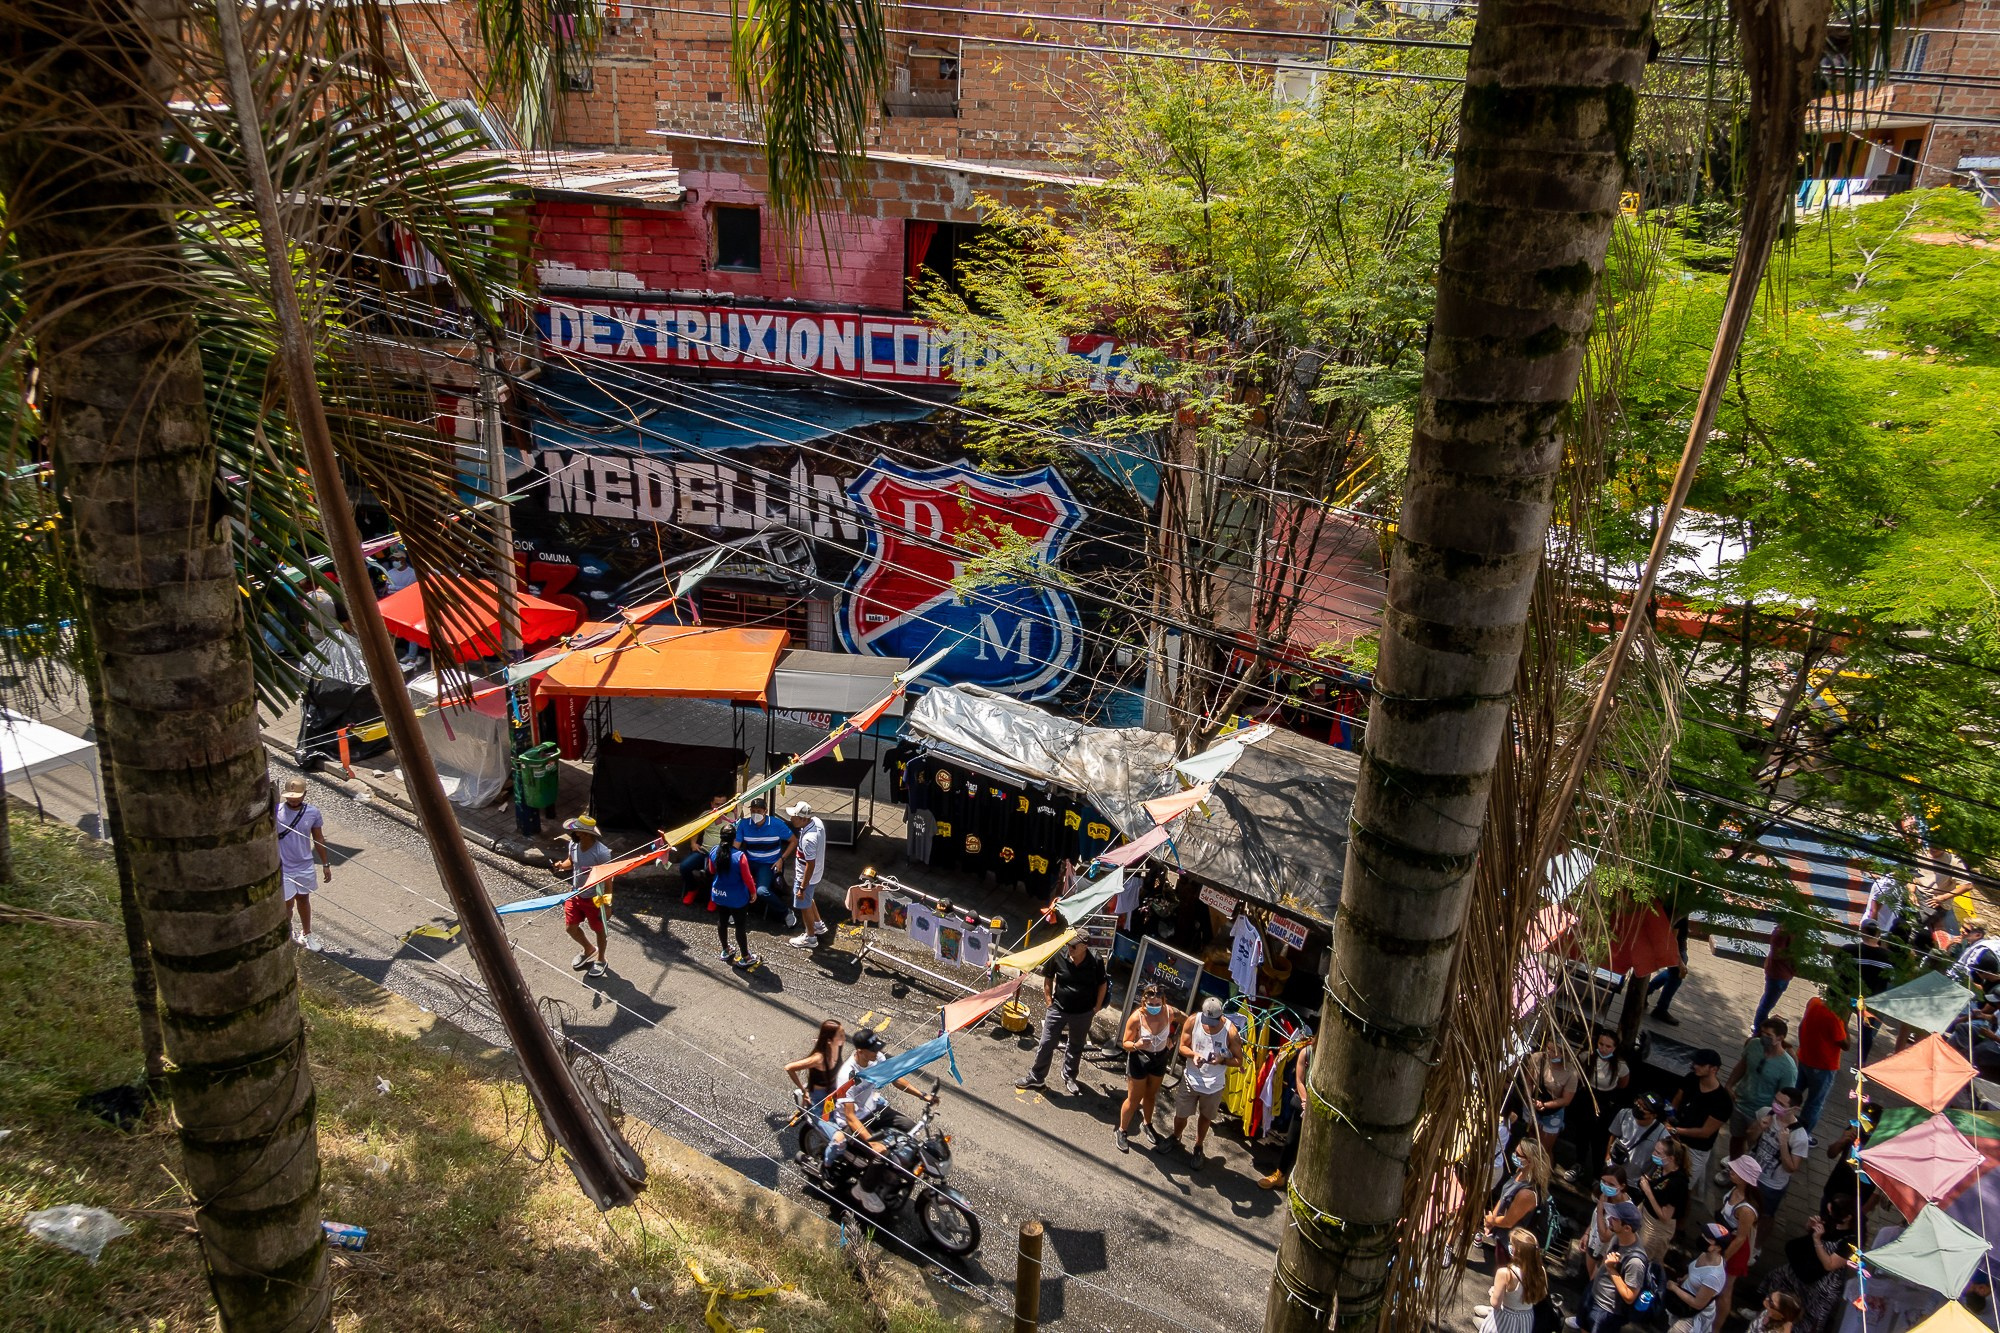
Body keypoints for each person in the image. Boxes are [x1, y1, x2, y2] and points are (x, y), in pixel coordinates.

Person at [828, 1029, 938, 1212]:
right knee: (883, 1152)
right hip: (852, 1122)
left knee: (910, 1129)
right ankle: (863, 1189)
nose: (877, 1052)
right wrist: (874, 1145)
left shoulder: (875, 1058)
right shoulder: (847, 1075)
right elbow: (850, 1117)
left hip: (874, 1109)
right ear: (860, 1051)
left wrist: (922, 1095)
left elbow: (895, 1079)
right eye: (872, 1049)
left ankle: (895, 1174)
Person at [1017, 936, 1108, 1096]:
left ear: (1085, 946)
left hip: (1083, 1013)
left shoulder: (1096, 960)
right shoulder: (1059, 955)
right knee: (1046, 1043)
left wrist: (1097, 1006)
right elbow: (1048, 977)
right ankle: (1036, 1076)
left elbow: (1102, 983)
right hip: (1058, 1009)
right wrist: (1048, 1001)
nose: (1070, 949)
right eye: (1069, 945)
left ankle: (1070, 1076)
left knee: (1076, 1045)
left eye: (1074, 946)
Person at [1757, 1195, 1860, 1333]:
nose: (1829, 1214)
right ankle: (1766, 1318)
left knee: (1809, 1317)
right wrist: (1810, 1226)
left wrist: (1817, 1239)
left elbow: (1830, 1265)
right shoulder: (1830, 1221)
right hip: (1804, 1269)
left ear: (1848, 1217)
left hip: (1822, 1284)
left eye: (1833, 1211)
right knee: (1777, 1281)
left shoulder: (1851, 1241)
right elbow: (1808, 1238)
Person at [1170, 998, 1243, 1164]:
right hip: (1191, 1079)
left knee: (1205, 1117)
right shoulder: (1193, 1021)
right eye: (1206, 1021)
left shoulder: (1230, 1032)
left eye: (1213, 1022)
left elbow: (1239, 1061)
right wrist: (1193, 1055)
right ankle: (1175, 1136)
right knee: (1181, 1114)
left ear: (1220, 1017)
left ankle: (1198, 1145)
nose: (1209, 1025)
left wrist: (1222, 1060)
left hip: (1213, 1085)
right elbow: (1182, 1046)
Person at [1117, 983, 1181, 1154]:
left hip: (1159, 1058)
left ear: (1163, 1001)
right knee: (1134, 1098)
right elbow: (1125, 1043)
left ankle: (1147, 1123)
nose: (1153, 1007)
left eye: (1157, 1004)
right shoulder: (1137, 1017)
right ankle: (1122, 1130)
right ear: (1144, 1002)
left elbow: (1188, 1021)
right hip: (1140, 1058)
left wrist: (1173, 1039)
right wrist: (1136, 1044)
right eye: (1150, 1004)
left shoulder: (1169, 1012)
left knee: (1151, 1095)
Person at [1726, 1018, 1798, 1161]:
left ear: (1780, 1038)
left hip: (1761, 1113)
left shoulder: (1788, 1068)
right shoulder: (1753, 1045)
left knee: (1754, 1148)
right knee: (1736, 1139)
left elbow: (1784, 1099)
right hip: (1740, 1103)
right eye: (1762, 1033)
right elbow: (1743, 1065)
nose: (1763, 1037)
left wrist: (1768, 1116)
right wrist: (1729, 1085)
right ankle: (1732, 1166)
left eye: (1768, 1035)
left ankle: (1744, 1176)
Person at [1669, 1047, 1733, 1206]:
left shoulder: (1722, 1101)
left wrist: (1675, 1130)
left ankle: (1680, 1224)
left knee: (1685, 1189)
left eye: (1701, 1064)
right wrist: (1670, 1119)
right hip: (1674, 1139)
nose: (1695, 1066)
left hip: (1696, 1149)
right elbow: (1676, 1101)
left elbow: (1705, 1132)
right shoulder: (1691, 1078)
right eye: (1695, 1062)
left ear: (1714, 1069)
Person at [1569, 1201, 1646, 1332]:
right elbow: (1605, 1260)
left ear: (1627, 1228)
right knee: (1583, 1326)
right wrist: (1593, 1282)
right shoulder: (1618, 1236)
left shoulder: (1635, 1261)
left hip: (1606, 1310)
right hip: (1593, 1293)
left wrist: (1611, 1269)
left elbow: (1629, 1296)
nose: (1609, 1219)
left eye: (1615, 1219)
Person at [552, 816, 614, 977]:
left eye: (576, 830)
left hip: (595, 898)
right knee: (570, 928)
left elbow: (608, 880)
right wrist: (560, 865)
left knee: (599, 930)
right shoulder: (574, 844)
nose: (573, 833)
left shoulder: (602, 853)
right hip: (575, 893)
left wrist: (607, 905)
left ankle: (601, 959)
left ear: (584, 834)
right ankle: (589, 949)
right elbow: (571, 862)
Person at [276, 777, 333, 950]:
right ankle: (287, 933)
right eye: (290, 796)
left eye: (297, 796)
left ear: (305, 794)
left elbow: (319, 838)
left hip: (304, 865)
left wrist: (325, 863)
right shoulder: (276, 810)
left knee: (303, 899)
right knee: (286, 903)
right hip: (284, 866)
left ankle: (306, 934)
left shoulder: (313, 813)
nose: (293, 799)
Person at [1259, 1031, 1316, 1190]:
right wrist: (1305, 1101)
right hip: (1303, 1105)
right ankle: (1280, 1174)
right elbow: (1299, 1080)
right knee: (1291, 1141)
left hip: (1320, 1108)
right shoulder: (1307, 1052)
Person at [1480, 1140, 1550, 1266]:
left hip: (1513, 1246)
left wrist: (1491, 1220)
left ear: (1530, 1161)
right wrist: (1492, 1221)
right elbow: (1504, 1197)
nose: (1514, 1156)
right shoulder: (1520, 1173)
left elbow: (1508, 1222)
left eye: (1518, 1154)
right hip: (1502, 1237)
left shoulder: (1527, 1194)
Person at [1713, 1156, 1762, 1328]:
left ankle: (1716, 1328)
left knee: (1725, 1290)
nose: (1730, 1172)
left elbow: (1741, 1238)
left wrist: (1724, 1258)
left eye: (1735, 1171)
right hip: (1724, 1240)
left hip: (1735, 1250)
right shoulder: (1734, 1190)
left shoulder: (1746, 1210)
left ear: (1744, 1178)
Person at [1747, 1086, 1810, 1218]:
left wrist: (1783, 1144)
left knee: (1765, 1215)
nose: (1775, 1105)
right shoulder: (1766, 1112)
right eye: (1775, 1100)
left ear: (1795, 1109)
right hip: (1750, 1172)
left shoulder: (1799, 1137)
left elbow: (1791, 1168)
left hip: (1771, 1185)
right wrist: (1759, 1127)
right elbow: (1749, 1139)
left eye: (1781, 1104)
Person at [1577, 1028, 1632, 1178]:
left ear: (1615, 1048)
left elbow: (1623, 1084)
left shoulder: (1620, 1066)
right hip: (1586, 1098)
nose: (1604, 1049)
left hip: (1604, 1103)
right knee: (1582, 1134)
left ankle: (1597, 1173)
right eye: (1601, 1044)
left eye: (1608, 1046)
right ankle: (1578, 1164)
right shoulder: (1586, 1056)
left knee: (1599, 1140)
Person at [1794, 988, 1850, 1136]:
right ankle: (1803, 1135)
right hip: (1823, 1067)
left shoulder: (1814, 1002)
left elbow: (1801, 1027)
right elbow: (1846, 1045)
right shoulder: (1834, 1018)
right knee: (1814, 1104)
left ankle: (1781, 1122)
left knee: (1793, 1093)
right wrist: (1845, 1021)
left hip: (1804, 1057)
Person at [732, 799, 796, 924]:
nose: (755, 813)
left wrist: (781, 859)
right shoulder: (744, 824)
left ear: (765, 811)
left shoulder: (777, 824)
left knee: (762, 891)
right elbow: (736, 846)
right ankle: (737, 911)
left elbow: (794, 841)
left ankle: (785, 912)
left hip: (768, 864)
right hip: (750, 862)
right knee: (736, 882)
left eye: (759, 811)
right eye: (753, 811)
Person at [785, 1019, 846, 1151]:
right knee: (831, 1125)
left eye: (843, 1033)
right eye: (840, 1035)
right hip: (821, 1097)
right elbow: (789, 1068)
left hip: (833, 1091)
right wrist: (804, 1090)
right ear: (830, 1040)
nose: (844, 1038)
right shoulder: (819, 1058)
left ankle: (803, 1110)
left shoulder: (838, 1046)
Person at [1473, 1227, 1547, 1333]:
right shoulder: (1541, 1271)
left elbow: (1496, 1304)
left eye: (1511, 1244)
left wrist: (1493, 1292)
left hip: (1505, 1318)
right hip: (1525, 1318)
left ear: (1516, 1251)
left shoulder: (1505, 1273)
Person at [1664, 1223, 1731, 1333]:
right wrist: (1685, 1278)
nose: (1702, 1238)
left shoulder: (1713, 1276)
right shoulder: (1705, 1254)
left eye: (1708, 1238)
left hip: (1692, 1316)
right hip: (1681, 1302)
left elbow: (1698, 1304)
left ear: (1718, 1247)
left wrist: (1674, 1288)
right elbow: (1695, 1272)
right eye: (1703, 1234)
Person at [708, 829, 760, 968]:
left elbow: (712, 870)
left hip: (719, 894)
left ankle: (725, 950)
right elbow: (747, 878)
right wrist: (753, 892)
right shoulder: (740, 856)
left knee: (722, 920)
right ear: (734, 838)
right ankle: (746, 957)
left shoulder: (713, 851)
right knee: (740, 926)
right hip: (737, 897)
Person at [1634, 1136, 1689, 1262]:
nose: (1654, 1154)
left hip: (1655, 1227)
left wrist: (1648, 1191)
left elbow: (1665, 1216)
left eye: (1658, 1153)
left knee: (1641, 1259)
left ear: (1671, 1158)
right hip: (1644, 1212)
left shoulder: (1678, 1183)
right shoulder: (1662, 1168)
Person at [783, 800, 830, 948]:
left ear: (803, 819)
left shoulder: (809, 840)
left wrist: (802, 887)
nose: (791, 819)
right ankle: (817, 924)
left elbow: (810, 865)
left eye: (794, 817)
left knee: (804, 905)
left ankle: (810, 937)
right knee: (809, 900)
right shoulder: (816, 821)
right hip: (814, 875)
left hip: (806, 877)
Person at [1522, 1037, 1579, 1150]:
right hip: (1532, 1104)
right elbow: (1528, 1082)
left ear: (1563, 1054)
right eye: (1548, 1048)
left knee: (1544, 1149)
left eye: (1554, 1051)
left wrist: (1544, 1105)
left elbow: (1566, 1100)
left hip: (1553, 1111)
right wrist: (1529, 1099)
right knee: (1531, 1142)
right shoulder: (1537, 1058)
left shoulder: (1571, 1073)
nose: (1549, 1053)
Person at [1604, 1091, 1666, 1189]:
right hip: (1613, 1172)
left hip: (1634, 1183)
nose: (1639, 1108)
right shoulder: (1624, 1114)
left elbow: (1661, 1162)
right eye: (1638, 1103)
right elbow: (1613, 1136)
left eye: (1644, 1108)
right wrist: (1607, 1157)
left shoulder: (1662, 1134)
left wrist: (1647, 1179)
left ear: (1654, 1115)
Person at [1753, 922, 1798, 1037]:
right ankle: (1758, 1030)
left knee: (1767, 1001)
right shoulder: (1782, 933)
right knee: (1766, 1005)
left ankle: (1759, 1027)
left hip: (1783, 973)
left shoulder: (1791, 931)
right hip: (1778, 975)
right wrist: (1794, 954)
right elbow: (1777, 954)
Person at [1647, 914, 1692, 1025]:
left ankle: (1646, 991)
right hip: (1677, 952)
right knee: (1676, 977)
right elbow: (1672, 939)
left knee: (1671, 973)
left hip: (1680, 949)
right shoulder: (1679, 910)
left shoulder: (1681, 909)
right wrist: (1680, 963)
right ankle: (1661, 1009)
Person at [1861, 869, 1906, 935]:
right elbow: (1874, 911)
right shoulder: (1885, 885)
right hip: (1877, 929)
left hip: (1886, 927)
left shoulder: (1898, 883)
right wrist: (1872, 933)